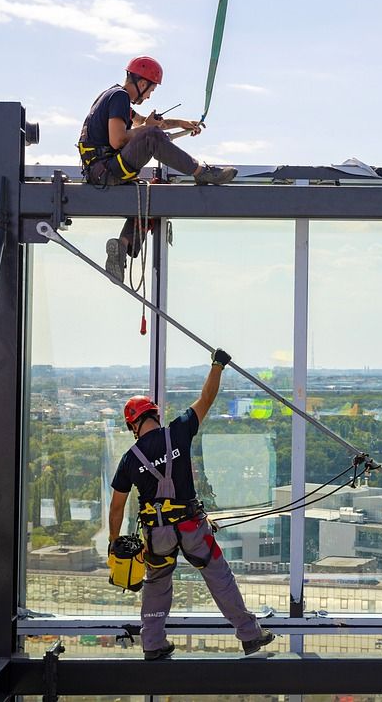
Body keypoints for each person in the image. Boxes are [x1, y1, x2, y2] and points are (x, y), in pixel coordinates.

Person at [107, 347, 276, 660]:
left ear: (134, 425)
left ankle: (153, 644)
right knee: (217, 574)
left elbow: (117, 507)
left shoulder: (130, 459)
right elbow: (206, 398)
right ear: (154, 416)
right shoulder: (179, 431)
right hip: (191, 525)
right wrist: (218, 365)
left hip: (157, 534)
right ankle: (250, 635)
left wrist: (113, 541)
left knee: (157, 584)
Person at [77, 56, 238, 281]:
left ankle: (122, 245)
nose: (150, 95)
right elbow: (118, 140)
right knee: (152, 137)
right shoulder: (120, 97)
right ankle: (202, 173)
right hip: (106, 170)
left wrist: (180, 122)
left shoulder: (113, 96)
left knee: (149, 194)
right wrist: (148, 130)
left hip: (102, 170)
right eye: (151, 89)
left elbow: (142, 122)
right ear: (142, 84)